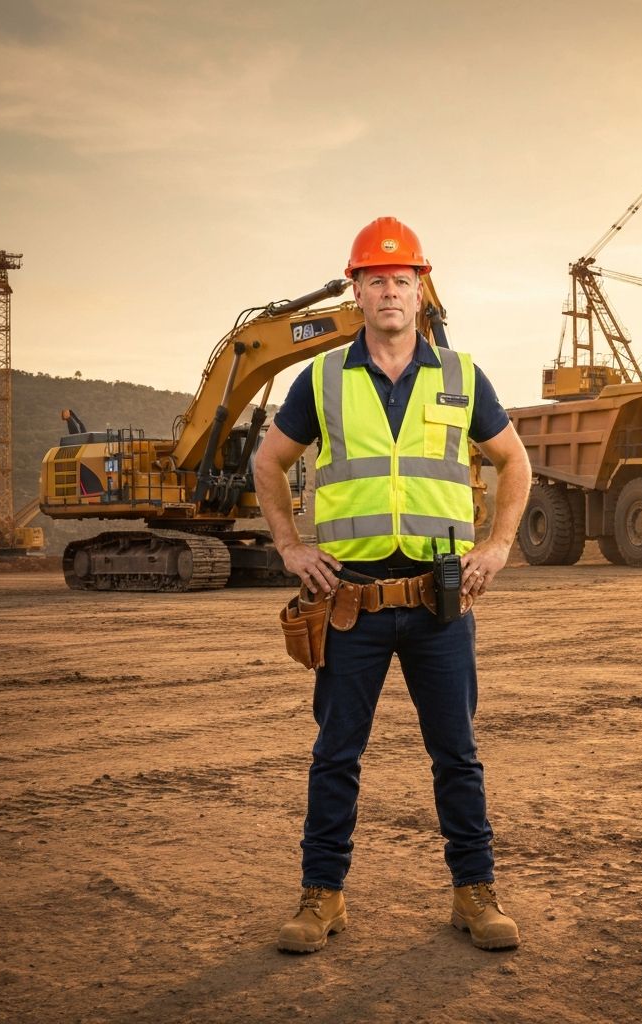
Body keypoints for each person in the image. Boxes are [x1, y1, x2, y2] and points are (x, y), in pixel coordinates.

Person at [254, 216, 532, 954]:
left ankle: (474, 895)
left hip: (443, 602)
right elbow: (267, 462)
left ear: (420, 289)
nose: (388, 291)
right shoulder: (319, 379)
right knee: (336, 755)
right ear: (357, 290)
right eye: (375, 279)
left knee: (458, 755)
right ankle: (323, 898)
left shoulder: (463, 376)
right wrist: (290, 546)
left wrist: (499, 546)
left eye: (401, 279)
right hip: (350, 604)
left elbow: (515, 461)